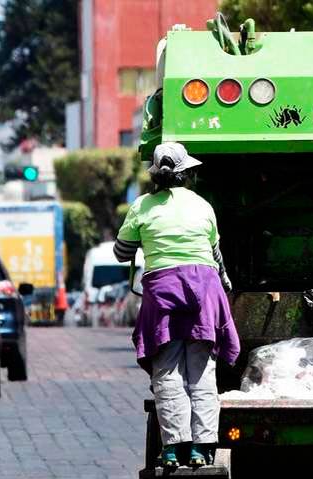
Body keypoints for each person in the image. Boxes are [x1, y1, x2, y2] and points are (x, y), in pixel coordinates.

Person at [114, 142, 240, 467]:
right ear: (188, 174)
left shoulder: (142, 207)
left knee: (167, 370)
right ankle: (204, 447)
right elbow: (215, 255)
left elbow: (121, 252)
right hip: (205, 288)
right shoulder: (202, 205)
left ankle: (173, 448)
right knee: (201, 370)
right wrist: (225, 281)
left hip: (162, 290)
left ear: (155, 175)